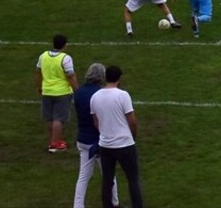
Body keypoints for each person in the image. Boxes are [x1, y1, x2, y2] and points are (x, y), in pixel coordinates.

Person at [91, 65, 144, 208]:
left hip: (105, 144)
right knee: (133, 178)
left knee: (107, 179)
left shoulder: (95, 97)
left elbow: (96, 121)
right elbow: (132, 121)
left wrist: (105, 132)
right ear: (119, 78)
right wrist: (132, 137)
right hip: (124, 144)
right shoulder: (122, 95)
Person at [72, 63, 119, 208]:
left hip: (83, 138)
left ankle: (78, 205)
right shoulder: (100, 94)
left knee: (83, 176)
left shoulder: (78, 92)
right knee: (109, 174)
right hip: (98, 140)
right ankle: (114, 202)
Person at [37, 33, 79, 153]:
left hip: (47, 91)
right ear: (65, 45)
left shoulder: (43, 56)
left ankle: (52, 141)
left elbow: (38, 72)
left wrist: (39, 86)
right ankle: (55, 144)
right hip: (62, 92)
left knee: (50, 118)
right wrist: (77, 90)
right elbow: (70, 75)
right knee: (59, 119)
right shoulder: (65, 58)